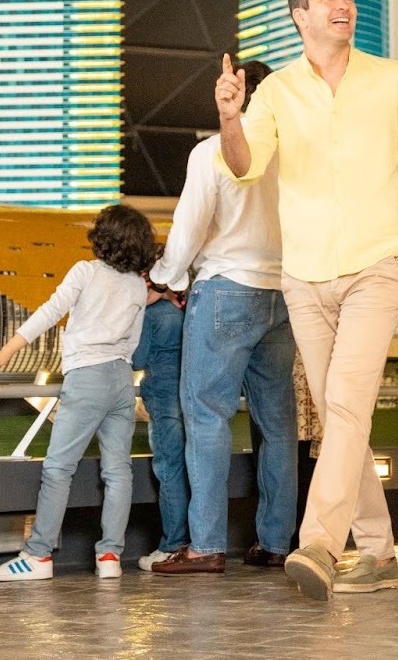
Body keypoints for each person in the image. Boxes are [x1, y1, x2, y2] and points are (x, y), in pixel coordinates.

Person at [214, 0, 398, 601]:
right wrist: (231, 119)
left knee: (345, 405)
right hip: (305, 277)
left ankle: (318, 540)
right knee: (341, 419)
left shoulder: (389, 80)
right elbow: (244, 166)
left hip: (377, 267)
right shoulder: (276, 94)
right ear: (301, 14)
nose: (344, 6)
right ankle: (376, 549)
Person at [148, 58, 298, 575]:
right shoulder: (290, 157)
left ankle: (206, 545)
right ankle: (276, 542)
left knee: (207, 416)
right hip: (284, 297)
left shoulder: (212, 152)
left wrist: (165, 279)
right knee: (277, 424)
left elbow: (189, 230)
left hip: (225, 289)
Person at [0, 204, 163, 583]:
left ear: (103, 239)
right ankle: (110, 555)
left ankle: (38, 556)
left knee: (59, 469)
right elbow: (133, 341)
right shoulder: (134, 286)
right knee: (118, 471)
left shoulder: (85, 272)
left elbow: (49, 312)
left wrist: (4, 353)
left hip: (87, 376)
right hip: (121, 379)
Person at [131, 283, 190, 571]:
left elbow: (137, 359)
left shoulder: (151, 313)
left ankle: (172, 545)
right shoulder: (189, 307)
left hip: (164, 396)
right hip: (192, 394)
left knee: (170, 469)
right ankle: (198, 543)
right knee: (194, 469)